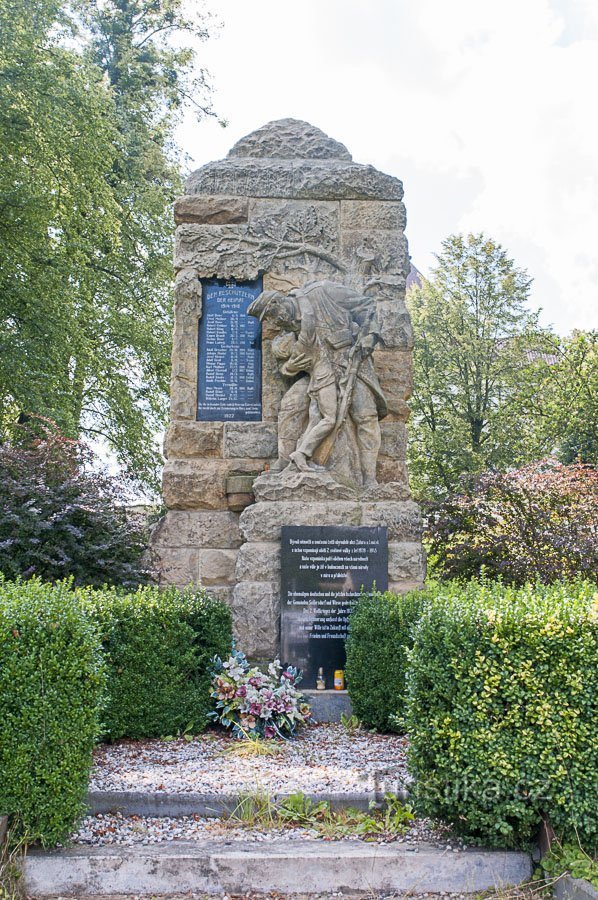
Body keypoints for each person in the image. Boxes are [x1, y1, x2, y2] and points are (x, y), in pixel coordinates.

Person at [248, 280, 387, 488]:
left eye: (272, 315)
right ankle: (288, 461)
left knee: (366, 415)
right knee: (291, 404)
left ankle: (369, 480)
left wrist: (369, 336)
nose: (274, 323)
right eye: (269, 319)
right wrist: (290, 368)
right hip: (319, 374)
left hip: (349, 362)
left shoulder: (323, 292)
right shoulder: (288, 327)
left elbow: (366, 305)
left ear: (279, 303)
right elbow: (286, 363)